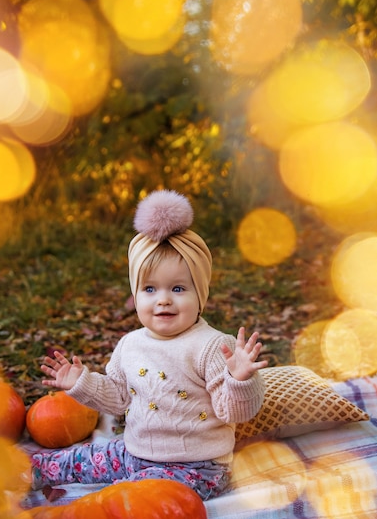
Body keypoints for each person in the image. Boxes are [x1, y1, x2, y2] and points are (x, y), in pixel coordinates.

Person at [32, 190, 267, 500]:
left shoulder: (212, 347)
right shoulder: (130, 345)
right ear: (136, 294)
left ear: (201, 294)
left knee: (136, 496)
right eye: (150, 289)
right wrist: (82, 383)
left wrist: (240, 380)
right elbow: (117, 399)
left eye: (179, 288)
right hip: (135, 451)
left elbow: (234, 413)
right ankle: (26, 472)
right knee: (79, 459)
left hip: (197, 467)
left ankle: (106, 513)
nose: (163, 299)